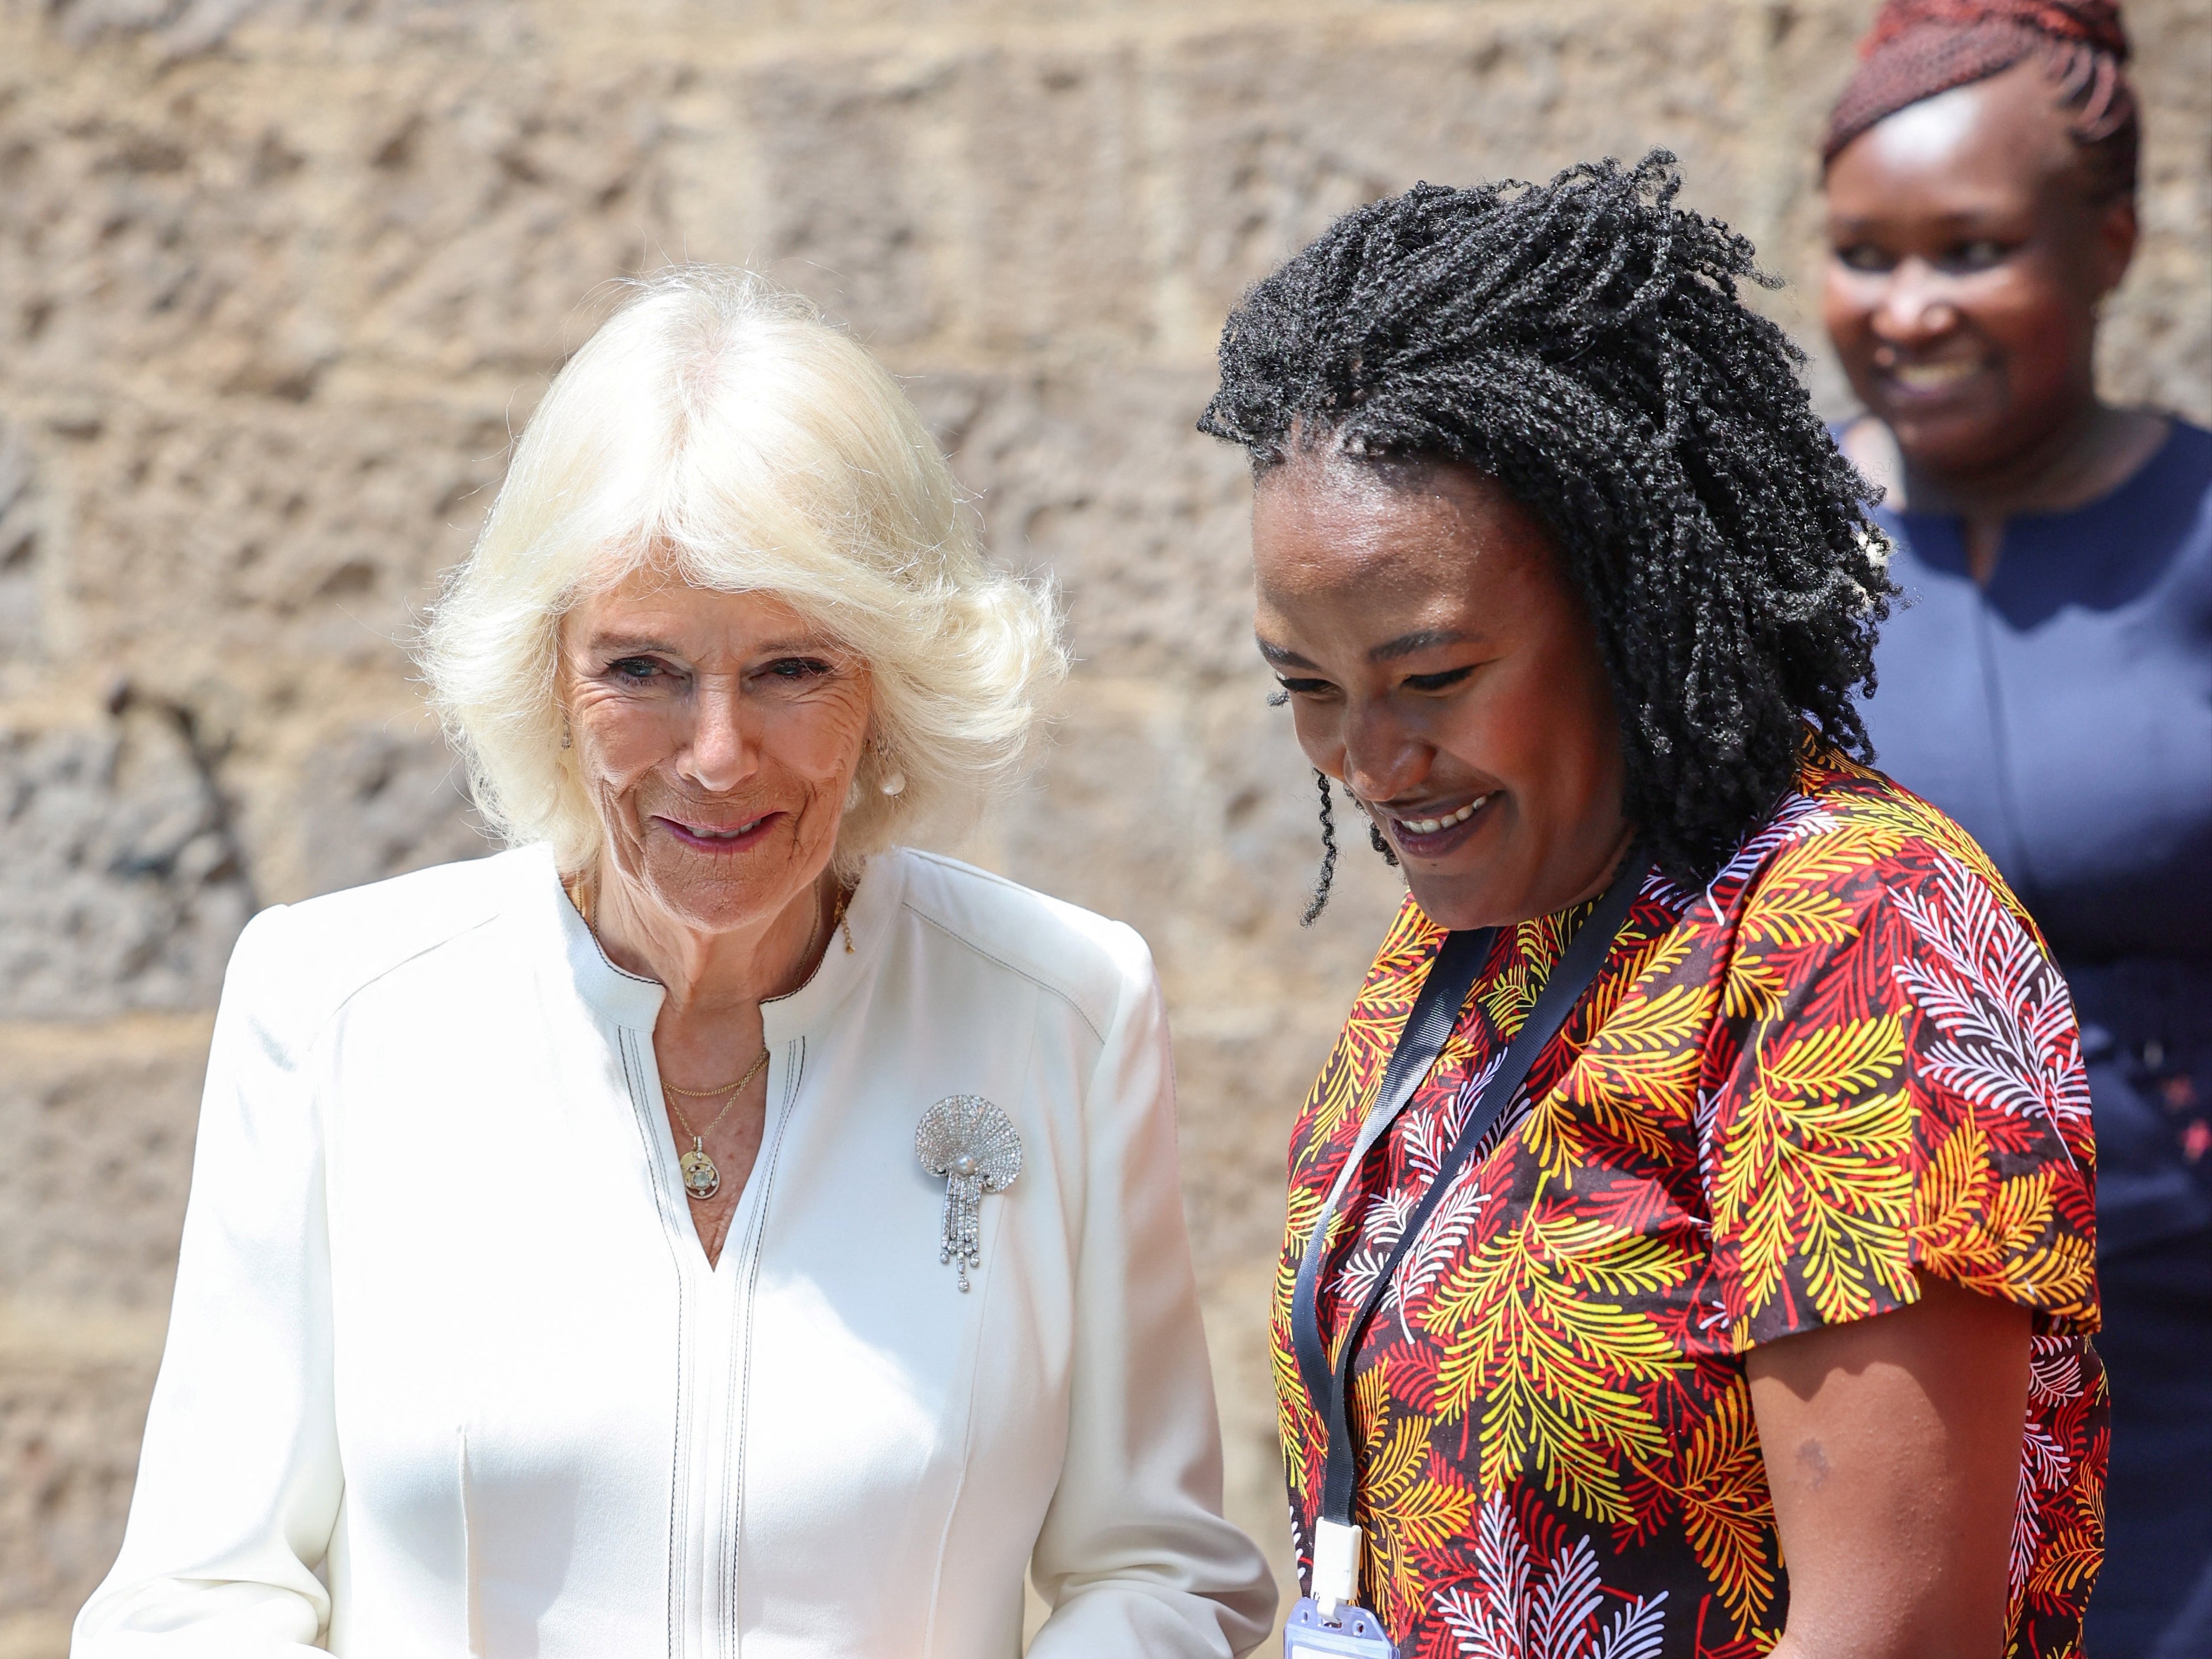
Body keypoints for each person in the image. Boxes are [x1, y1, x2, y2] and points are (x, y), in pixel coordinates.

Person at [73, 269, 1277, 1657]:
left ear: (889, 683)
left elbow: (1160, 1568)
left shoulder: (1062, 1010)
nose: (715, 753)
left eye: (790, 668)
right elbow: (196, 1595)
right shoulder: (335, 1007)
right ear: (546, 675)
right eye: (641, 668)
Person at [1198, 155, 2104, 1659]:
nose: (1367, 757)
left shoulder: (1851, 935)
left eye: (1430, 678)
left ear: (1625, 607)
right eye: (1304, 686)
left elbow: (1894, 1633)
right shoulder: (1480, 933)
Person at [1821, 2, 2212, 1651]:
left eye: (1969, 251)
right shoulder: (1769, 571)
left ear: (2108, 243)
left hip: (2184, 1346)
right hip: (1855, 1342)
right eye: (1860, 253)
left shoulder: (2196, 536)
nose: (1907, 310)